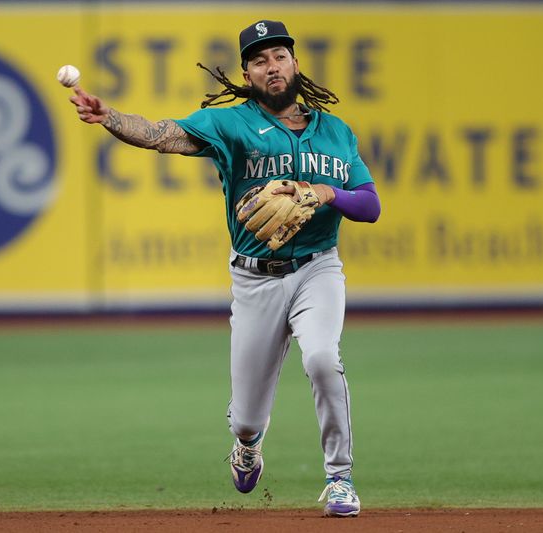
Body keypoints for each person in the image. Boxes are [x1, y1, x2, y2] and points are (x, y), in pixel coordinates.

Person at [69, 19, 380, 518]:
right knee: (246, 417)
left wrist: (325, 192)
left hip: (317, 269)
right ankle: (248, 444)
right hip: (255, 279)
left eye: (279, 55)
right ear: (247, 72)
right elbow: (161, 135)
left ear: (296, 63)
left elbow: (369, 205)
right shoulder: (231, 124)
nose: (271, 66)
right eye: (259, 60)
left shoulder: (336, 132)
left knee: (323, 357)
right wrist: (111, 118)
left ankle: (340, 477)